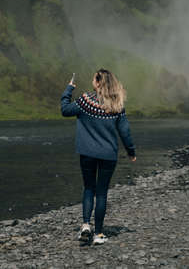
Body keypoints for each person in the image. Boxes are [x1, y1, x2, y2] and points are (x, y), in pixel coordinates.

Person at [60, 68, 136, 245]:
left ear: (99, 82)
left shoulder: (85, 100)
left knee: (88, 188)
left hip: (87, 153)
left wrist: (69, 89)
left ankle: (86, 225)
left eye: (94, 78)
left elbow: (64, 110)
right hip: (108, 155)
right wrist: (131, 151)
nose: (92, 80)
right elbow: (125, 131)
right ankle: (99, 234)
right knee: (101, 193)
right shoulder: (117, 105)